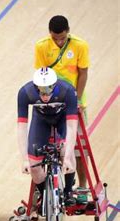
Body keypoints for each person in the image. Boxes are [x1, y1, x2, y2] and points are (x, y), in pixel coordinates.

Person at [34, 15, 89, 203]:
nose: (58, 41)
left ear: (68, 32)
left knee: (78, 149)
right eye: (55, 38)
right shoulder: (41, 46)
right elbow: (40, 75)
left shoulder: (80, 45)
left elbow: (83, 73)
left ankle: (81, 186)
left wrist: (78, 99)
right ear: (50, 33)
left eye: (62, 38)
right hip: (51, 101)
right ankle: (40, 186)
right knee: (41, 146)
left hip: (74, 101)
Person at [17, 67, 78, 207]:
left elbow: (71, 126)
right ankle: (45, 194)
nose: (44, 95)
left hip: (62, 119)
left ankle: (68, 190)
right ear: (35, 87)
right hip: (41, 119)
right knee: (34, 166)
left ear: (54, 86)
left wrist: (67, 157)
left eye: (48, 90)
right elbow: (21, 127)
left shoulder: (68, 91)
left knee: (65, 150)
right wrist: (25, 159)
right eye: (41, 90)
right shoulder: (25, 93)